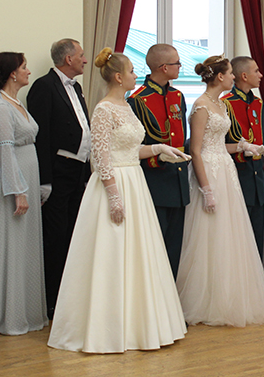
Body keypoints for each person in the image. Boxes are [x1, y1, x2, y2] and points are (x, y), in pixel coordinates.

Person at [49, 49, 187, 353]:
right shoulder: (103, 109)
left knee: (140, 253)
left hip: (135, 181)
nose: (136, 75)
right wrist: (113, 195)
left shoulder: (126, 106)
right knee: (111, 252)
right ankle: (107, 327)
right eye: (132, 71)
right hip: (114, 184)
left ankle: (141, 324)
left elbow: (130, 149)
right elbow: (100, 157)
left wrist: (159, 149)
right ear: (118, 77)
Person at [176, 56, 264, 327]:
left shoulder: (220, 104)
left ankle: (228, 296)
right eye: (230, 73)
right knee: (209, 234)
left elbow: (219, 144)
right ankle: (204, 299)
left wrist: (244, 146)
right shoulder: (200, 106)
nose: (232, 77)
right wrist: (206, 189)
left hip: (226, 169)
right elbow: (196, 150)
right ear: (220, 76)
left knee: (229, 233)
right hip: (209, 171)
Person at [0, 52, 47, 337]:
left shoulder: (16, 103)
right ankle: (6, 313)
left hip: (26, 175)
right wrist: (18, 191)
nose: (28, 71)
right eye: (24, 67)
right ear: (12, 73)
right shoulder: (0, 108)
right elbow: (4, 150)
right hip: (11, 180)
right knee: (10, 241)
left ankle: (25, 309)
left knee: (25, 244)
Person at [27, 38, 91, 318]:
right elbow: (41, 137)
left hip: (78, 172)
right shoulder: (44, 86)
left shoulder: (76, 87)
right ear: (68, 59)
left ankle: (70, 296)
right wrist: (45, 181)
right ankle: (52, 300)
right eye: (81, 55)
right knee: (56, 237)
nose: (85, 60)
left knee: (74, 234)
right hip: (58, 172)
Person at [128, 44, 190, 278]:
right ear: (164, 67)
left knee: (174, 245)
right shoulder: (138, 100)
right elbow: (133, 145)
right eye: (177, 63)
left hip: (178, 179)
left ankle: (170, 293)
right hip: (155, 180)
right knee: (154, 244)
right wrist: (158, 158)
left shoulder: (177, 96)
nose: (180, 67)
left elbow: (180, 135)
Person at [222, 56, 264, 256]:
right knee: (238, 235)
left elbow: (262, 136)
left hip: (257, 176)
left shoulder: (258, 103)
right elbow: (219, 143)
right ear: (244, 76)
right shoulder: (226, 103)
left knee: (258, 234)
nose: (260, 75)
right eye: (256, 71)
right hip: (238, 174)